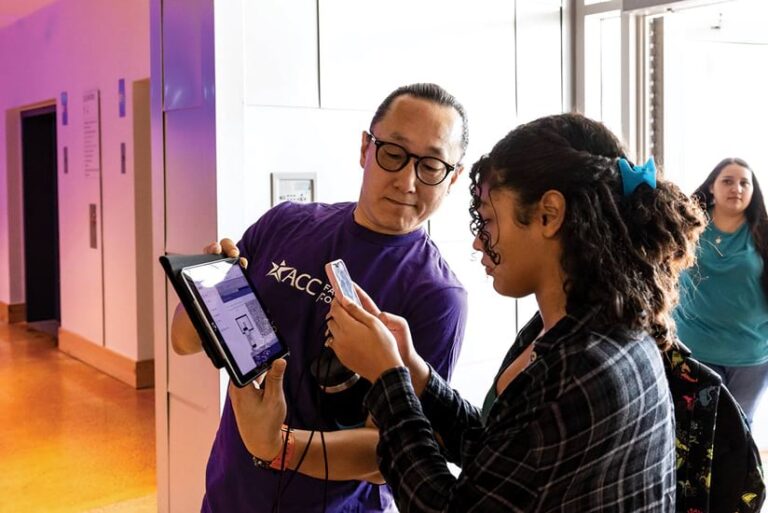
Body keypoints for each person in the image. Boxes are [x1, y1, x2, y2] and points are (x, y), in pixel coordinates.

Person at [322, 113, 707, 511]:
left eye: (488, 220)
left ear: (549, 214)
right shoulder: (568, 327)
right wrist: (416, 374)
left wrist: (388, 378)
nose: (477, 241)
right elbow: (499, 456)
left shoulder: (583, 364)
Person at [170, 83, 469, 512]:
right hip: (229, 494)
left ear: (453, 176)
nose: (407, 180)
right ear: (365, 148)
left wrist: (276, 446)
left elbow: (389, 452)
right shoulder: (284, 224)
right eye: (393, 153)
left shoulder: (437, 295)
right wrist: (207, 293)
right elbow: (181, 342)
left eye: (431, 165)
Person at [674, 157, 768, 424]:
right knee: (695, 431)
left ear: (753, 191)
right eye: (727, 181)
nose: (736, 188)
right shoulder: (687, 226)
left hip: (750, 356)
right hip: (695, 349)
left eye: (744, 183)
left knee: (738, 431)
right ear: (712, 187)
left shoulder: (763, 232)